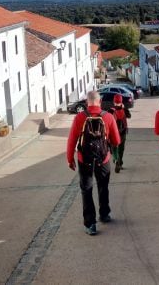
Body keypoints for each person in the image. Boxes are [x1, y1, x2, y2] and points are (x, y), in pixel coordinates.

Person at [67, 91, 121, 235]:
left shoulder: (80, 117)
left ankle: (90, 224)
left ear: (87, 103)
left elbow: (72, 139)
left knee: (87, 189)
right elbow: (116, 141)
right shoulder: (108, 117)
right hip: (103, 158)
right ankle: (104, 214)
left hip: (84, 159)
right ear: (100, 102)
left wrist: (70, 158)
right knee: (103, 186)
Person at [108, 94, 131, 173]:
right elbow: (129, 116)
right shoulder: (124, 109)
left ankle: (115, 159)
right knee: (121, 148)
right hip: (123, 132)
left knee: (113, 147)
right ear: (121, 102)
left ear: (114, 102)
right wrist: (124, 108)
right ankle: (120, 162)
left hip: (113, 132)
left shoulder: (110, 110)